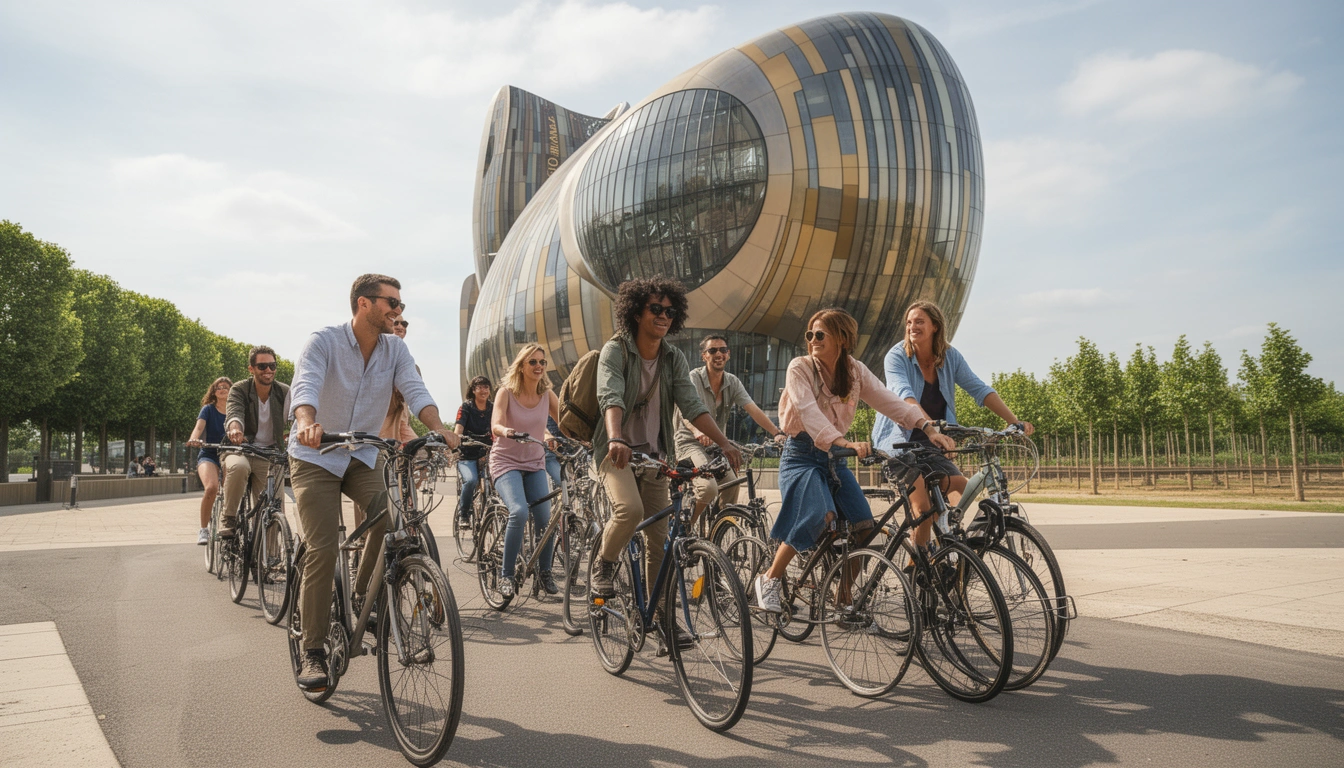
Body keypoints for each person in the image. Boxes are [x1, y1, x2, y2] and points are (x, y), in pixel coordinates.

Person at [288, 274, 460, 692]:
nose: (399, 312)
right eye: (393, 304)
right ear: (364, 304)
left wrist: (441, 429)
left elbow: (415, 391)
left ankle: (363, 594)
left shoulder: (396, 348)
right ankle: (313, 650)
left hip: (362, 454)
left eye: (400, 306)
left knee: (392, 515)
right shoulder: (324, 341)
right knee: (323, 547)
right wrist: (308, 423)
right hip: (315, 454)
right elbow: (305, 384)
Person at [752, 308, 956, 613]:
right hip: (802, 455)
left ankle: (843, 597)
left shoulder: (855, 371)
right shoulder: (800, 368)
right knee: (818, 514)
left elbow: (891, 402)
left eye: (820, 334)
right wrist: (843, 441)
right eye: (810, 335)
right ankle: (769, 578)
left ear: (842, 339)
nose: (813, 340)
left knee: (865, 527)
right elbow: (808, 412)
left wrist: (927, 427)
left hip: (836, 457)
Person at [588, 278, 743, 619]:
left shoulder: (672, 357)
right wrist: (615, 437)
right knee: (628, 510)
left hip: (655, 457)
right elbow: (610, 396)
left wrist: (723, 442)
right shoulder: (616, 350)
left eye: (670, 311)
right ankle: (604, 563)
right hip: (616, 453)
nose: (663, 316)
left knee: (659, 541)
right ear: (636, 313)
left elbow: (692, 405)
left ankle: (660, 616)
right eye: (655, 309)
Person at [868, 300, 1034, 549]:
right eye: (909, 322)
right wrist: (929, 427)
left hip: (933, 439)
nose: (912, 326)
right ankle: (917, 563)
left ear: (935, 326)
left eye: (919, 321)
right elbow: (904, 395)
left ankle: (944, 542)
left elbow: (978, 388)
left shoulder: (950, 356)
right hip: (899, 441)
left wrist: (1014, 421)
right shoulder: (897, 356)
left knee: (960, 488)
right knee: (922, 507)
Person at [673, 334, 786, 522]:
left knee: (733, 484)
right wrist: (698, 431)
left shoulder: (732, 382)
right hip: (690, 443)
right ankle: (685, 529)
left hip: (717, 444)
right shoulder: (693, 378)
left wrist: (777, 432)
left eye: (723, 350)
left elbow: (753, 410)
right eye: (712, 350)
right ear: (704, 356)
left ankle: (717, 529)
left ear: (728, 354)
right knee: (709, 488)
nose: (719, 354)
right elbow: (686, 412)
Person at [490, 343, 562, 598]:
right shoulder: (506, 393)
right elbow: (496, 423)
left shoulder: (547, 395)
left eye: (542, 362)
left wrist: (586, 439)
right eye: (533, 362)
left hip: (535, 463)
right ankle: (506, 575)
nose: (539, 366)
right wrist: (506, 431)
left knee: (546, 518)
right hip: (506, 462)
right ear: (521, 366)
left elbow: (566, 420)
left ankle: (544, 572)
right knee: (519, 512)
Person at [219, 345, 291, 537]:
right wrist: (235, 428)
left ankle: (271, 559)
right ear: (251, 369)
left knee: (274, 508)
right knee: (238, 467)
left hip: (269, 454)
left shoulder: (284, 392)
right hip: (239, 449)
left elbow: (297, 417)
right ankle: (229, 518)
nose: (268, 370)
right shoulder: (240, 389)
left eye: (272, 366)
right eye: (262, 366)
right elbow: (234, 412)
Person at [186, 377, 233, 544]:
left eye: (225, 387)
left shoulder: (236, 410)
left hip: (230, 454)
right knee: (211, 487)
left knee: (231, 490)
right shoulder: (208, 410)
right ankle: (203, 529)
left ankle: (229, 524)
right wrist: (194, 439)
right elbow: (199, 427)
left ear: (231, 391)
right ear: (213, 392)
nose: (221, 390)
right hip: (209, 453)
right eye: (218, 387)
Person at [453, 376, 494, 524]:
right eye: (480, 387)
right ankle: (463, 514)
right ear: (473, 390)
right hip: (467, 454)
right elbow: (459, 428)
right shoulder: (466, 407)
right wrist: (457, 438)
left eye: (486, 387)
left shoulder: (493, 408)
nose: (484, 390)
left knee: (497, 480)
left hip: (487, 453)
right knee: (470, 481)